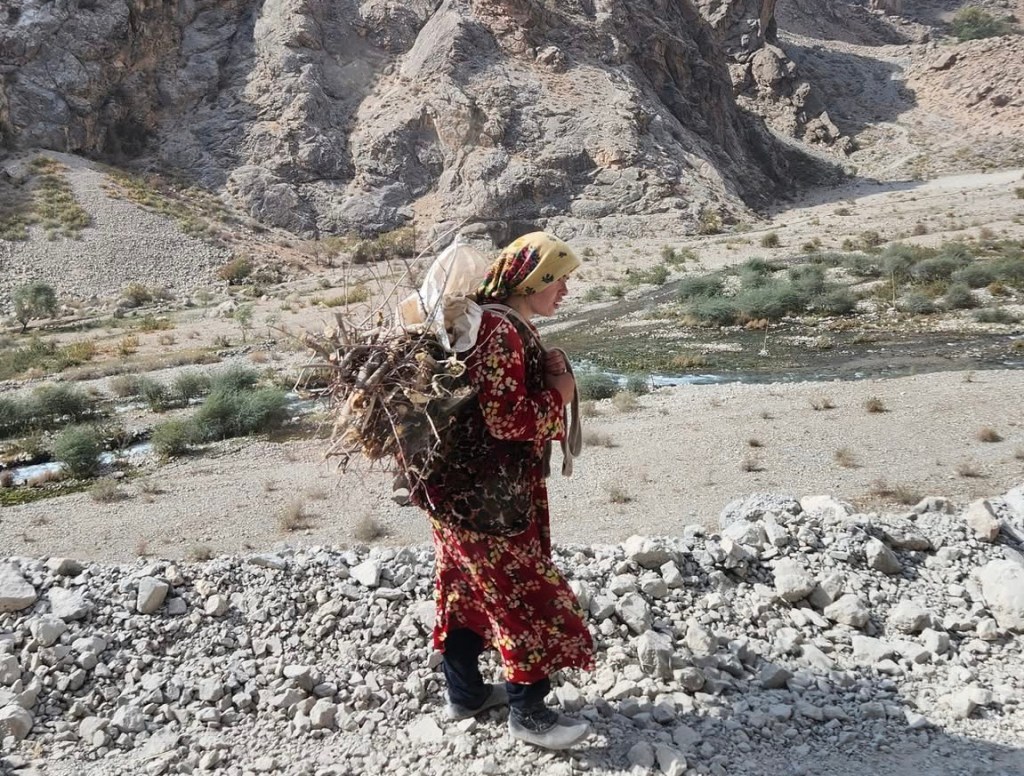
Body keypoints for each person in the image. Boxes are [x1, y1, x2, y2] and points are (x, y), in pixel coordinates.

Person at [410, 231, 595, 750]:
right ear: (531, 280)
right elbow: (507, 420)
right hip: (488, 502)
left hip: (458, 495)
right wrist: (560, 395)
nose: (565, 292)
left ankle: (466, 694)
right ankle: (529, 715)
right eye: (558, 281)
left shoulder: (497, 324)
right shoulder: (500, 331)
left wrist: (548, 371)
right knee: (522, 596)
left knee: (466, 590)